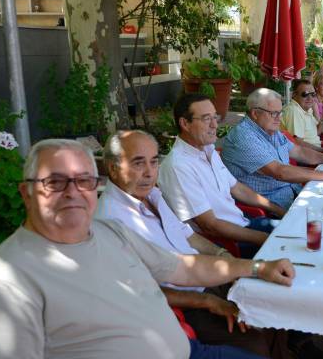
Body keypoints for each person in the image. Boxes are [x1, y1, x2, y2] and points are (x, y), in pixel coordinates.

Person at [0, 139, 295, 359]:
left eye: (83, 180)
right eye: (54, 182)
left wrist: (257, 267)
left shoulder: (108, 231)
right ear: (26, 192)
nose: (72, 192)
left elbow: (183, 268)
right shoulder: (7, 278)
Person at [97, 130, 285, 357]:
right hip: (186, 304)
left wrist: (222, 254)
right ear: (112, 168)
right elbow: (140, 289)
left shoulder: (152, 195)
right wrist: (206, 301)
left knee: (276, 302)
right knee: (254, 341)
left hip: (207, 278)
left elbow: (188, 236)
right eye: (138, 163)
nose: (149, 173)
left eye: (154, 162)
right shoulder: (108, 220)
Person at [158, 93, 285, 258]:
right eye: (206, 119)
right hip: (230, 242)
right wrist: (265, 239)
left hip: (245, 224)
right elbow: (210, 226)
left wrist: (278, 210)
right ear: (185, 123)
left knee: (299, 230)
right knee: (296, 246)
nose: (214, 125)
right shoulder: (178, 166)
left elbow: (237, 189)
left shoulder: (208, 149)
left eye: (215, 117)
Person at [221, 88, 323, 211]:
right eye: (274, 113)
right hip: (273, 206)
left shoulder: (268, 129)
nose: (279, 118)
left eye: (281, 113)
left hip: (293, 193)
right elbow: (279, 172)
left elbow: (299, 152)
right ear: (255, 114)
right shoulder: (244, 137)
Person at [281, 79, 323, 151]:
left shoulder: (307, 109)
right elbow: (297, 143)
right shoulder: (293, 110)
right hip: (307, 156)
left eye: (313, 94)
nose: (310, 98)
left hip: (315, 150)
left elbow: (316, 133)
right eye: (305, 94)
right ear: (294, 95)